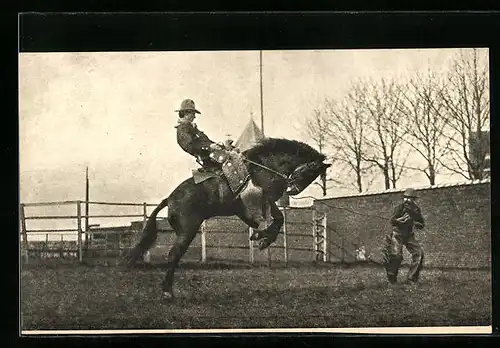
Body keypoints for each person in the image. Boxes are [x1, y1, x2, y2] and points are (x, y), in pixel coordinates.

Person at [382, 188, 425, 285]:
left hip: (409, 235)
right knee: (396, 256)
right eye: (405, 198)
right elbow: (392, 221)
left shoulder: (416, 209)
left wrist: (417, 224)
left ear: (414, 199)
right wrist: (400, 221)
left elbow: (421, 224)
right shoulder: (399, 207)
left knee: (419, 254)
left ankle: (411, 279)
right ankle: (392, 279)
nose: (407, 200)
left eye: (410, 198)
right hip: (397, 234)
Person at [174, 99, 225, 171]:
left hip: (213, 156)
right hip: (209, 160)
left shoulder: (191, 128)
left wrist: (217, 145)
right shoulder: (182, 129)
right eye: (193, 113)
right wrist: (209, 147)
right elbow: (191, 146)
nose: (194, 116)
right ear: (186, 113)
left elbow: (205, 141)